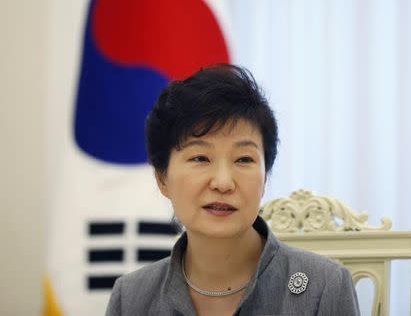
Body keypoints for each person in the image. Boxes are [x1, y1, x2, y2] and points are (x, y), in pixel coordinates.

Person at [105, 64, 360, 316]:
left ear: (265, 178)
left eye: (244, 159)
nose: (223, 182)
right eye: (201, 158)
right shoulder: (130, 298)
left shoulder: (324, 287)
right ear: (162, 178)